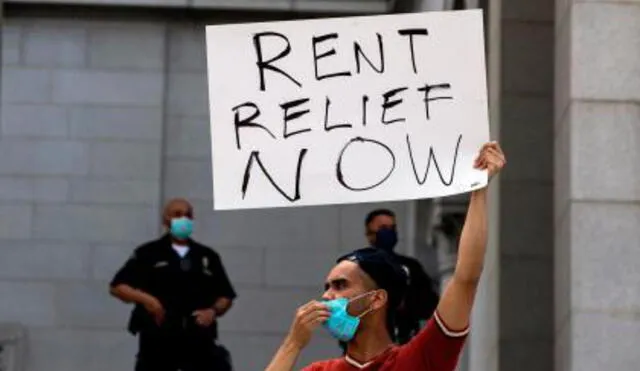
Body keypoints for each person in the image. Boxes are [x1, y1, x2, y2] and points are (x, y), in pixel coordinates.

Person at [265, 141, 506, 371]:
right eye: (327, 287)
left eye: (340, 285)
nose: (327, 296)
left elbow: (465, 278)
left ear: (376, 299)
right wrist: (293, 344)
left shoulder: (421, 358)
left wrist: (478, 188)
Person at [109, 198, 237, 371]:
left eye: (187, 215)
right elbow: (118, 286)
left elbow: (226, 295)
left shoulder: (207, 256)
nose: (183, 219)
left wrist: (212, 311)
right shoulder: (148, 253)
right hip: (158, 343)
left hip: (199, 343)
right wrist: (147, 300)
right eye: (177, 215)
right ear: (165, 220)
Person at [363, 208, 440, 345]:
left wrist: (406, 303)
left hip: (404, 341)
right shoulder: (357, 267)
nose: (389, 232)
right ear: (369, 234)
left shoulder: (410, 266)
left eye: (392, 228)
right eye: (383, 228)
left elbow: (429, 304)